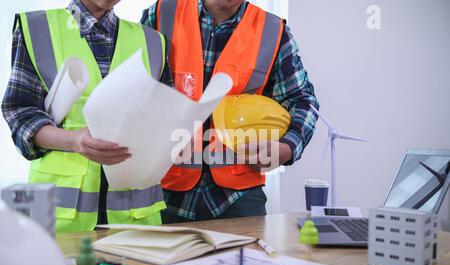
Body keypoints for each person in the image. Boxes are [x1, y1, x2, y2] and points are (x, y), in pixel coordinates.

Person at [141, 0, 320, 223]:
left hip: (238, 197)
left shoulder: (272, 31)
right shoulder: (161, 14)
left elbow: (302, 101)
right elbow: (135, 90)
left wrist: (287, 147)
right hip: (164, 190)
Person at [2, 0, 171, 232]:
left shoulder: (153, 41)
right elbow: (21, 113)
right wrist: (74, 141)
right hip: (62, 220)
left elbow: (164, 118)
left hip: (137, 219)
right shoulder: (38, 29)